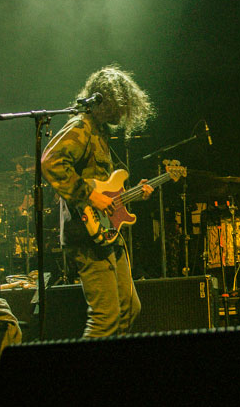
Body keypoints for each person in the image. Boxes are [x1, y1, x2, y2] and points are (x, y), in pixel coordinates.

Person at [41, 64, 155, 338]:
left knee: (130, 308)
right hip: (86, 236)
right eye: (121, 105)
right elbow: (51, 162)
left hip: (107, 234)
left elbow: (106, 189)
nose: (123, 112)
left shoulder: (101, 132)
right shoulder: (81, 126)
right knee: (105, 319)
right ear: (107, 100)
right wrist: (90, 195)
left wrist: (134, 193)